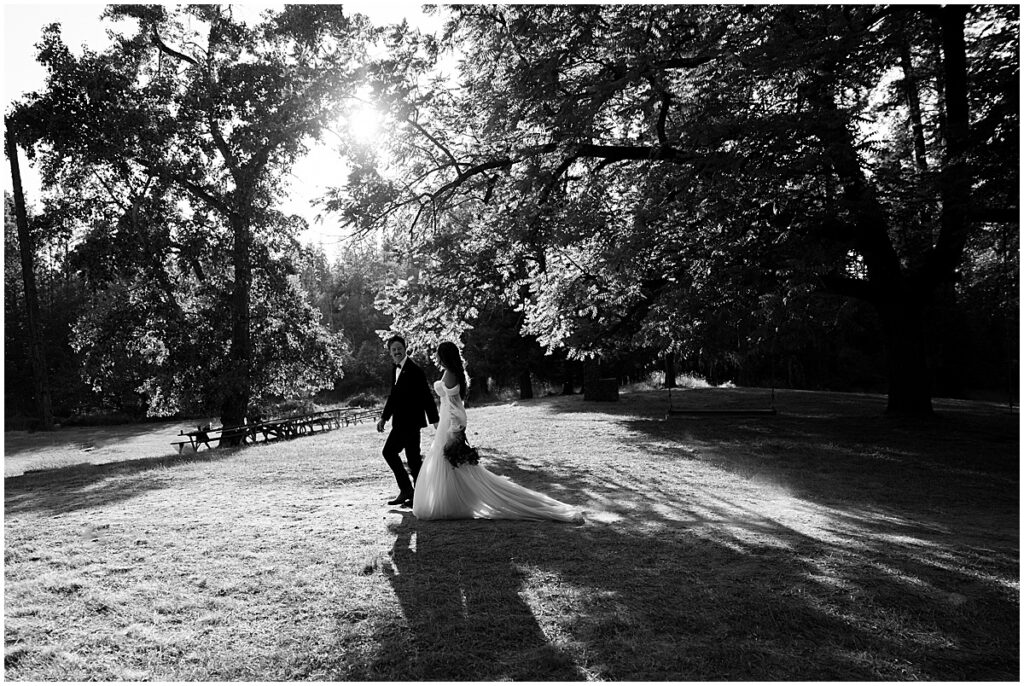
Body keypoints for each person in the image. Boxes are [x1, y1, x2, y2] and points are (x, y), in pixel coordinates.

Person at [412, 341, 583, 523]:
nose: (435, 356)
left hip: (451, 421)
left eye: (438, 353)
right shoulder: (451, 372)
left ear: (444, 356)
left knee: (452, 461)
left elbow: (454, 405)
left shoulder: (450, 373)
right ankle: (450, 502)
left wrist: (454, 430)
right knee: (452, 464)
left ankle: (450, 503)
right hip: (449, 418)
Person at [376, 335, 439, 507]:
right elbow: (393, 396)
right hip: (401, 421)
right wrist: (384, 417)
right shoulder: (395, 368)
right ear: (390, 352)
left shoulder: (415, 370)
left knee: (389, 452)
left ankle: (407, 490)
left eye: (399, 348)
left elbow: (427, 396)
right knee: (413, 459)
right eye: (393, 350)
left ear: (405, 348)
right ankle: (418, 497)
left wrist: (435, 419)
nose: (396, 352)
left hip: (410, 422)